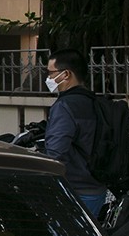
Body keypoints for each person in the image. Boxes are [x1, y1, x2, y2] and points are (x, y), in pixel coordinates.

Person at [42, 48, 107, 217]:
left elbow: (55, 152)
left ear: (66, 74)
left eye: (50, 73)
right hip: (97, 186)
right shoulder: (95, 102)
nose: (48, 78)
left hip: (75, 188)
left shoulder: (65, 106)